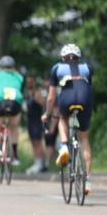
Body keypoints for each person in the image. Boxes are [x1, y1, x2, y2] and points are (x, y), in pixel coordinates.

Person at [42, 44, 95, 194]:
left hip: (67, 98)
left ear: (62, 58)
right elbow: (88, 87)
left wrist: (47, 113)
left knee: (62, 119)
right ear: (78, 57)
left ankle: (64, 146)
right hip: (85, 98)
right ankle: (87, 182)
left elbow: (51, 97)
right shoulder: (88, 67)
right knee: (84, 138)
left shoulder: (57, 68)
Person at [0, 55, 24, 168]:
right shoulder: (19, 77)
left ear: (0, 67)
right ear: (13, 67)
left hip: (0, 102)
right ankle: (15, 156)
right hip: (14, 103)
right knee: (14, 127)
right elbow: (20, 93)